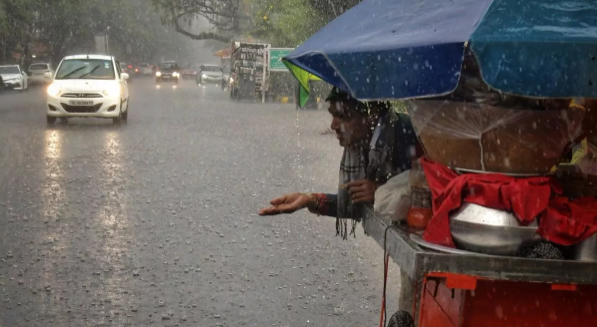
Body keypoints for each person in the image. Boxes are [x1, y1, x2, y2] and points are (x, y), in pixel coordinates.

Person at [259, 87, 422, 238]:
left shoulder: (407, 135)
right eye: (333, 115)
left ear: (371, 115)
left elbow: (430, 194)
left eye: (343, 116)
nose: (333, 125)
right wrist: (308, 199)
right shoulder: (363, 145)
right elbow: (352, 204)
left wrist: (380, 192)